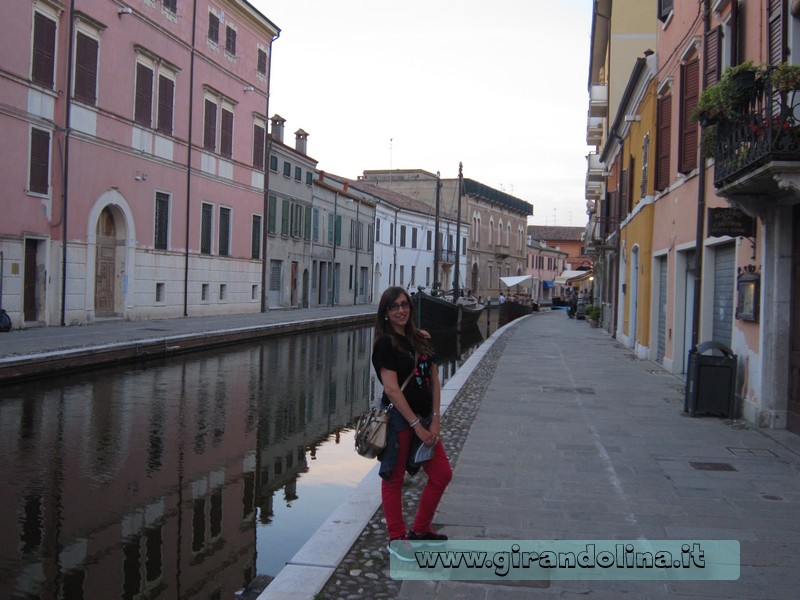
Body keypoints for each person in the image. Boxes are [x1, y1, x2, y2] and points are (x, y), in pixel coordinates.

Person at [371, 286, 452, 544]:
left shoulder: (422, 338)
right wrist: (417, 426)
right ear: (385, 313)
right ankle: (397, 536)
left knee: (442, 474)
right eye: (393, 306)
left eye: (404, 304)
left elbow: (435, 381)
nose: (400, 310)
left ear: (411, 307)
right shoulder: (385, 343)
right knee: (394, 478)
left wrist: (436, 419)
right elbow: (392, 389)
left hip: (426, 418)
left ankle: (420, 529)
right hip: (399, 421)